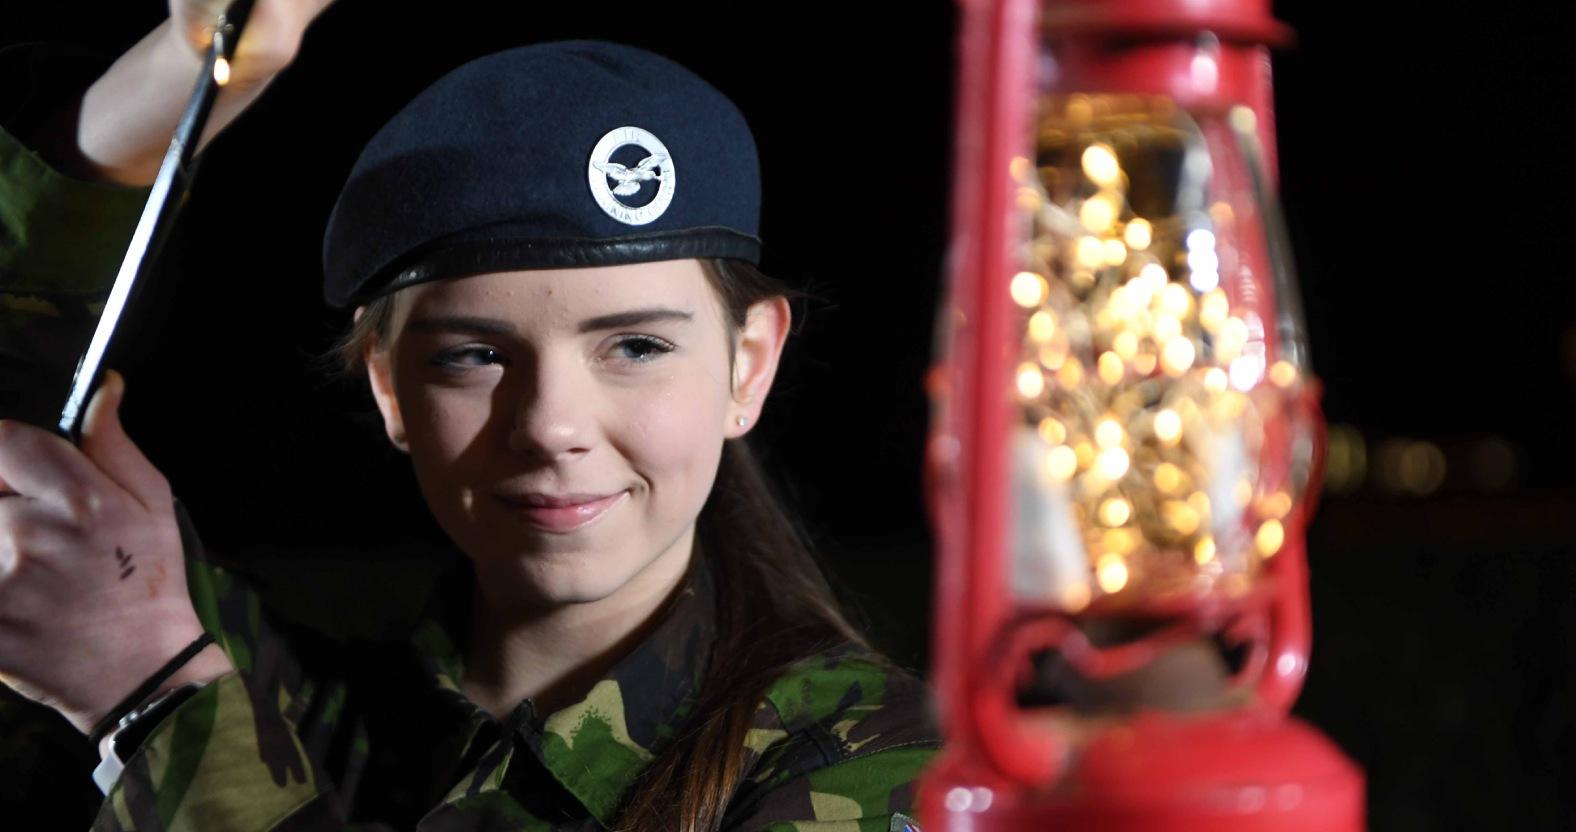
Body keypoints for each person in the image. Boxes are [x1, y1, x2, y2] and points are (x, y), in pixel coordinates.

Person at [0, 2, 938, 829]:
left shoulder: (884, 769)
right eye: (474, 355)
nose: (551, 426)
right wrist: (190, 67)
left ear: (749, 365)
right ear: (387, 384)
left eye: (636, 346)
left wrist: (161, 707)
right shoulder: (307, 709)